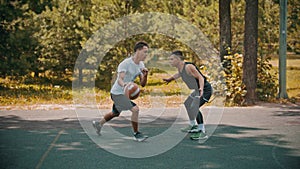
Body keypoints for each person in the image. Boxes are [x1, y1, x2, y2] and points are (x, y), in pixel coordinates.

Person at [93, 41, 149, 142]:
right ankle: (137, 134)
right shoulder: (125, 63)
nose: (146, 54)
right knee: (135, 109)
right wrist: (125, 86)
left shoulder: (141, 64)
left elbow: (143, 83)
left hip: (125, 94)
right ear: (138, 51)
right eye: (145, 52)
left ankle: (98, 124)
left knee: (115, 113)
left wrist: (145, 75)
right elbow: (120, 79)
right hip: (117, 93)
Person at [163, 50, 212, 140]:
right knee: (187, 103)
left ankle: (202, 131)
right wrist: (170, 79)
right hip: (197, 90)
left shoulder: (189, 67)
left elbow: (200, 77)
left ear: (178, 59)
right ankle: (193, 125)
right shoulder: (180, 67)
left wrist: (201, 89)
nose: (170, 61)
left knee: (194, 107)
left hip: (205, 90)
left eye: (172, 59)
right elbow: (179, 74)